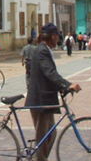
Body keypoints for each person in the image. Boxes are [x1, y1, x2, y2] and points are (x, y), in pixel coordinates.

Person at [25, 23, 81, 161]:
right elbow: (49, 72)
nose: (58, 40)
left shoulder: (44, 49)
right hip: (40, 100)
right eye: (57, 36)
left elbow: (48, 74)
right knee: (43, 136)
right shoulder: (42, 50)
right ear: (52, 36)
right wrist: (67, 85)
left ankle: (38, 158)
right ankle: (38, 159)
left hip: (45, 99)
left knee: (51, 134)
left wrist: (63, 87)